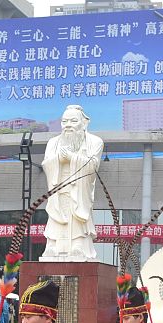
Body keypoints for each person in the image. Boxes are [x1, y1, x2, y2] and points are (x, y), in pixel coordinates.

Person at [40, 104, 105, 261]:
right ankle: (53, 245)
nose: (68, 125)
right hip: (59, 186)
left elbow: (93, 166)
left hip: (78, 189)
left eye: (73, 121)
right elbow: (46, 164)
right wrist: (58, 159)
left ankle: (78, 244)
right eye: (64, 121)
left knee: (77, 216)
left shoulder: (95, 142)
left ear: (84, 123)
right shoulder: (53, 143)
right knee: (57, 215)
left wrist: (71, 158)